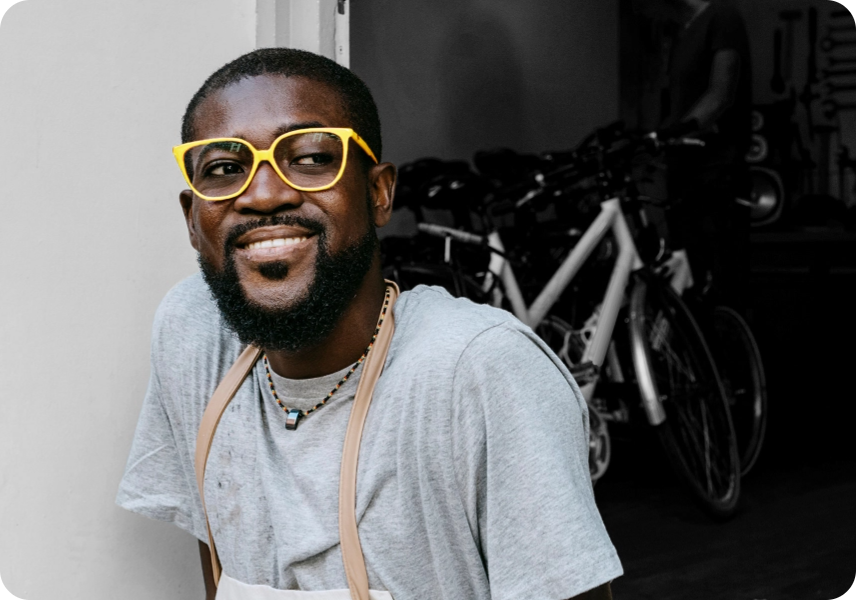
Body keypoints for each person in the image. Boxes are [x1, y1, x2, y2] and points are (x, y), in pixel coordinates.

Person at [116, 48, 622, 600]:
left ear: (379, 192)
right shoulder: (193, 331)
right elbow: (220, 545)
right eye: (225, 169)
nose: (262, 194)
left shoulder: (477, 371)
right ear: (194, 219)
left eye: (310, 157)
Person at [635, 0, 753, 310]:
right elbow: (671, 106)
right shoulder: (680, 34)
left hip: (715, 173)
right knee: (687, 280)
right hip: (682, 175)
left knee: (722, 284)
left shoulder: (722, 16)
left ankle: (733, 354)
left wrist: (677, 133)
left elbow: (721, 95)